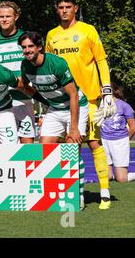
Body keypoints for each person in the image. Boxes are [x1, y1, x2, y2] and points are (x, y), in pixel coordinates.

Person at [46, 0, 113, 210]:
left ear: (75, 8)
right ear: (57, 9)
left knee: (93, 143)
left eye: (68, 6)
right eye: (60, 7)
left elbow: (101, 60)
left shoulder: (88, 30)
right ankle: (75, 193)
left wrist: (107, 91)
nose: (64, 10)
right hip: (63, 101)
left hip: (90, 97)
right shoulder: (51, 36)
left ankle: (104, 193)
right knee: (68, 147)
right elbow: (47, 67)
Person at [19, 32, 88, 209]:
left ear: (39, 47)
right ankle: (53, 192)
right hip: (55, 109)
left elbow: (73, 94)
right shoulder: (25, 66)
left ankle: (78, 196)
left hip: (75, 106)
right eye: (24, 47)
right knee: (45, 150)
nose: (27, 51)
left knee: (73, 150)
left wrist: (73, 128)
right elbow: (25, 86)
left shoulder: (56, 63)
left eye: (30, 47)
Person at [0, 2, 35, 143]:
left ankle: (27, 165)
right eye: (1, 16)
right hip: (1, 101)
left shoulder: (26, 38)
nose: (4, 19)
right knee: (3, 146)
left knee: (27, 146)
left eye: (8, 16)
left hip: (22, 98)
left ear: (16, 17)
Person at [100, 82, 135, 182]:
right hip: (104, 142)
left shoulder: (124, 106)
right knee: (107, 177)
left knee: (121, 179)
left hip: (120, 142)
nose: (101, 92)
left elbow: (133, 128)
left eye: (102, 90)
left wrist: (124, 142)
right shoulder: (100, 104)